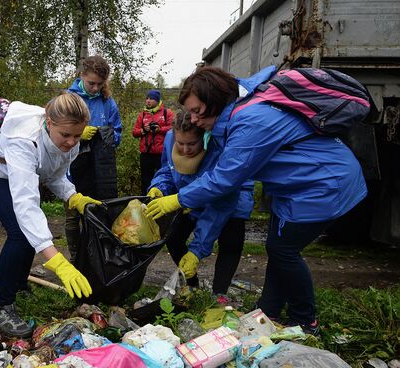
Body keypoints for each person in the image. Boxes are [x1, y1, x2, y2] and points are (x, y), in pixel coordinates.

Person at [146, 65, 367, 334]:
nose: (192, 119)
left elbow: (224, 180)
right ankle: (269, 311)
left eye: (197, 111)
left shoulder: (251, 120)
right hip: (297, 186)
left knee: (283, 251)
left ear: (215, 101)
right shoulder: (241, 112)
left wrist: (178, 199)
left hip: (323, 183)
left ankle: (305, 320)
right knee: (278, 248)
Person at [0, 93, 98, 337]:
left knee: (30, 232)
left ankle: (20, 283)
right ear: (49, 122)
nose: (72, 142)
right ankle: (3, 307)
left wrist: (73, 196)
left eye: (77, 135)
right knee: (21, 234)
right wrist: (57, 261)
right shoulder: (24, 140)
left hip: (22, 174)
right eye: (66, 135)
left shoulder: (70, 142)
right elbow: (26, 205)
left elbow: (54, 174)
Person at [148, 110, 252, 302]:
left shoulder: (218, 147)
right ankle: (191, 282)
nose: (186, 150)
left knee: (231, 242)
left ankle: (219, 294)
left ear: (204, 138)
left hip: (230, 198)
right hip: (188, 197)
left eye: (192, 144)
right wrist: (159, 188)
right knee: (174, 237)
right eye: (181, 143)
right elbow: (167, 170)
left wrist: (197, 250)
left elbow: (218, 206)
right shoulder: (170, 137)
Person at [65, 55, 122, 261]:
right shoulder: (68, 99)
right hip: (71, 166)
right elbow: (54, 134)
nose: (95, 88)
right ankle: (75, 259)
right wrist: (80, 134)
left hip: (99, 170)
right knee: (73, 215)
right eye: (91, 83)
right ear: (81, 76)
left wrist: (106, 135)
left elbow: (117, 135)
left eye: (100, 84)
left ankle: (96, 258)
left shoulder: (107, 102)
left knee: (98, 213)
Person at [132, 89, 173, 195]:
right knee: (145, 180)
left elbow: (174, 129)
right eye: (147, 98)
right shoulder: (143, 115)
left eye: (151, 99)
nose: (148, 101)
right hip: (146, 154)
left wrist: (160, 129)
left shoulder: (166, 113)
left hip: (162, 154)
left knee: (163, 179)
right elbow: (135, 132)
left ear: (157, 100)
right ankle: (144, 200)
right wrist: (143, 130)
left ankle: (162, 199)